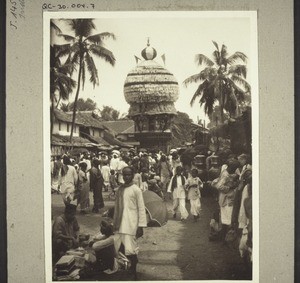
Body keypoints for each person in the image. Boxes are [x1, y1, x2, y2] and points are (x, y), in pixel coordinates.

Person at [113, 166, 147, 279]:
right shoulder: (120, 189)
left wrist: (141, 225)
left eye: (129, 174)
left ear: (132, 176)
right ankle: (127, 267)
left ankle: (133, 272)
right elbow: (117, 206)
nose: (126, 177)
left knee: (131, 249)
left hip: (131, 223)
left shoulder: (136, 190)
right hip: (120, 222)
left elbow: (141, 208)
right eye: (125, 175)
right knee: (119, 246)